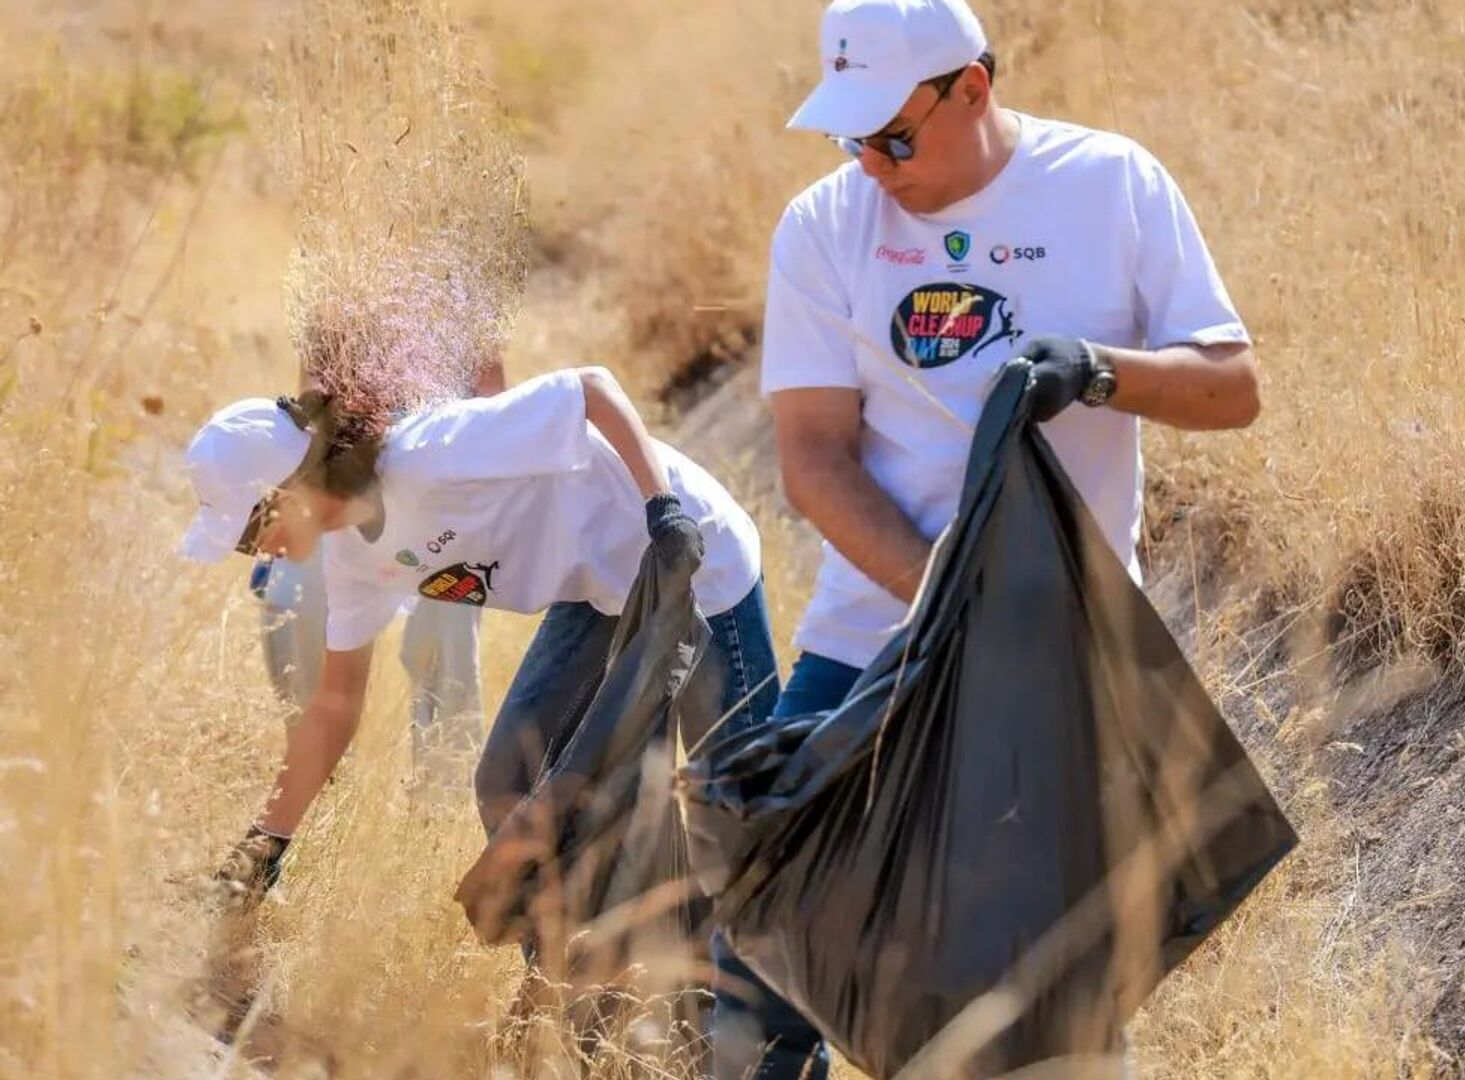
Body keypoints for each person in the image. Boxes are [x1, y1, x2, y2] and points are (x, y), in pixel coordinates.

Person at [729, 0, 1264, 1075]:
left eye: (892, 136)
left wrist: (1099, 369)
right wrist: (948, 597)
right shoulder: (825, 227)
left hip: (1052, 657)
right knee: (757, 966)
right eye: (850, 137)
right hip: (870, 640)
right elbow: (815, 459)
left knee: (1041, 1011)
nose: (871, 166)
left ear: (972, 88)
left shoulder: (1111, 185)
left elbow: (1232, 386)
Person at [180, 366, 780, 985]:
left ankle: (758, 1012)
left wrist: (664, 511)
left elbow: (593, 390)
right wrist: (262, 848)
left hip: (697, 562)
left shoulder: (432, 453)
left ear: (289, 488)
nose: (258, 551)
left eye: (251, 534)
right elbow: (334, 706)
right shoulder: (352, 560)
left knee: (745, 808)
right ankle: (574, 996)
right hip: (604, 593)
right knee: (508, 779)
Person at [246, 358, 506, 787]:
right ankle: (316, 772)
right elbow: (313, 393)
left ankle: (440, 797)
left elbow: (491, 394)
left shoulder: (460, 296)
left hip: (438, 481)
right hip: (348, 474)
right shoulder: (337, 300)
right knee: (287, 594)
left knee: (446, 632)